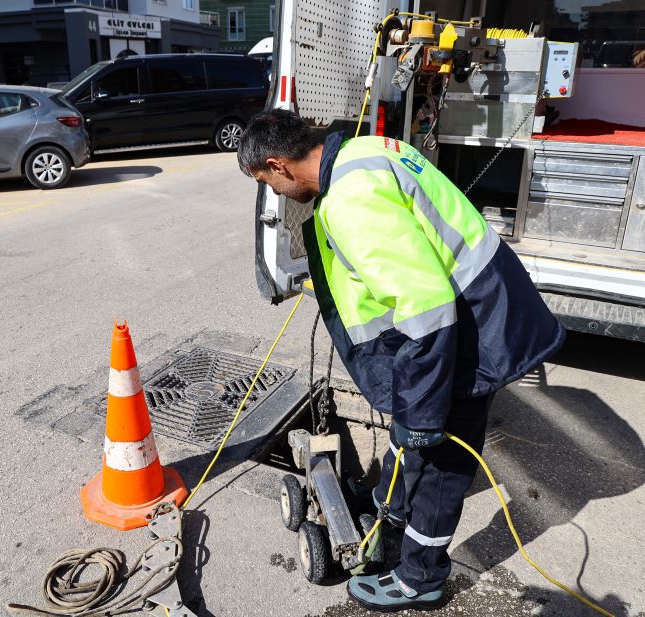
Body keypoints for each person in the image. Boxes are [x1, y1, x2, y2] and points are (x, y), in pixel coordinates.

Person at [237, 109, 565, 612]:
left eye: (269, 184)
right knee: (413, 434)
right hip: (474, 307)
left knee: (440, 459)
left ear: (279, 165)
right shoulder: (363, 152)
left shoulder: (349, 202)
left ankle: (420, 577)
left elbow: (427, 310)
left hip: (470, 328)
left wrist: (424, 414)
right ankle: (392, 504)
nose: (277, 196)